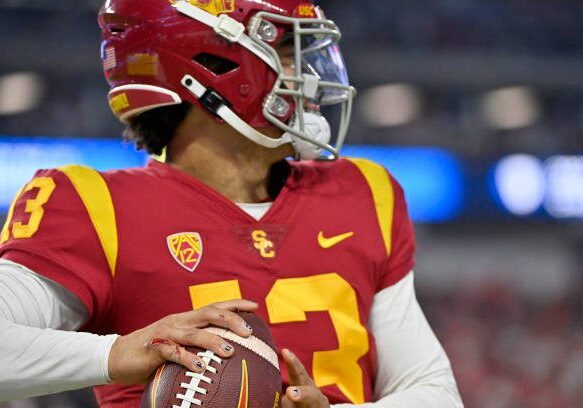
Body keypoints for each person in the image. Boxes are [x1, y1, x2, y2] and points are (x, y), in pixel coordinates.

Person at [0, 0, 462, 406]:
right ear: (211, 69)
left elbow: (434, 390)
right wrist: (119, 353)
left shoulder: (363, 191)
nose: (311, 77)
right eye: (286, 51)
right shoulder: (93, 206)